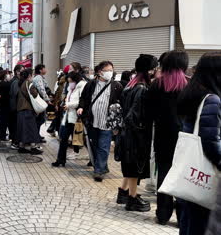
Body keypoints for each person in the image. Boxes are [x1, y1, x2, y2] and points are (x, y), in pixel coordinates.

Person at [177, 52, 221, 235]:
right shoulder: (212, 99)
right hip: (205, 173)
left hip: (191, 171)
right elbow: (210, 141)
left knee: (189, 220)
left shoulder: (194, 92)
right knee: (200, 223)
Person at [146, 51, 189, 225]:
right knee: (183, 176)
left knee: (163, 174)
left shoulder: (156, 85)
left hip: (163, 137)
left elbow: (148, 112)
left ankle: (163, 214)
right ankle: (182, 216)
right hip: (186, 138)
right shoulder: (191, 85)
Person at [117, 54, 158, 212]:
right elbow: (135, 116)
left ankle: (123, 192)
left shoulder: (131, 85)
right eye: (154, 68)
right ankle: (132, 198)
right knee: (134, 166)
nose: (156, 71)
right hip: (136, 135)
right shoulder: (142, 88)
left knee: (129, 164)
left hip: (127, 133)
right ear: (149, 71)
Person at [77, 61, 123, 182]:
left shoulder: (116, 86)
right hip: (93, 121)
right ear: (99, 72)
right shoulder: (91, 84)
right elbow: (84, 98)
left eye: (111, 70)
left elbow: (121, 103)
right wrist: (81, 107)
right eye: (107, 70)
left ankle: (98, 171)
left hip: (107, 123)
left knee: (103, 146)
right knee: (95, 145)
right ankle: (103, 166)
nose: (110, 72)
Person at [52, 72, 87, 167]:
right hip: (68, 117)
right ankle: (60, 160)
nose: (69, 83)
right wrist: (66, 103)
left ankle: (93, 159)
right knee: (63, 138)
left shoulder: (82, 86)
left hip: (77, 117)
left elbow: (81, 101)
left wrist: (68, 105)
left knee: (83, 139)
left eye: (71, 81)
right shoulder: (71, 88)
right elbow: (69, 98)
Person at [16, 68, 43, 155]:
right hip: (27, 109)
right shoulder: (29, 83)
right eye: (32, 75)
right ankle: (33, 147)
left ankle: (21, 146)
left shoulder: (21, 83)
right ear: (29, 76)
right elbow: (34, 94)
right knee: (31, 129)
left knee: (23, 129)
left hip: (21, 109)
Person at [32, 64, 52, 143]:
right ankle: (36, 136)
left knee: (40, 119)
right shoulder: (38, 78)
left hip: (40, 100)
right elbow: (41, 89)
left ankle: (37, 135)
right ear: (40, 70)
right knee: (40, 119)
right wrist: (47, 99)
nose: (46, 70)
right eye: (44, 68)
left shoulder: (39, 77)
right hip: (40, 101)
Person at [9, 65, 24, 149]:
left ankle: (15, 141)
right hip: (15, 107)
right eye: (22, 70)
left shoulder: (16, 80)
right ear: (17, 72)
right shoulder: (15, 82)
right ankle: (15, 142)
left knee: (15, 125)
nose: (23, 72)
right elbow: (17, 94)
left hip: (14, 106)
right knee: (15, 125)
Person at [0, 70, 11, 141]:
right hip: (4, 105)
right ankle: (2, 135)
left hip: (1, 105)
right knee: (4, 121)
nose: (9, 75)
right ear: (5, 75)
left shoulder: (2, 83)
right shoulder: (5, 84)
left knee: (2, 120)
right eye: (7, 74)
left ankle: (1, 134)